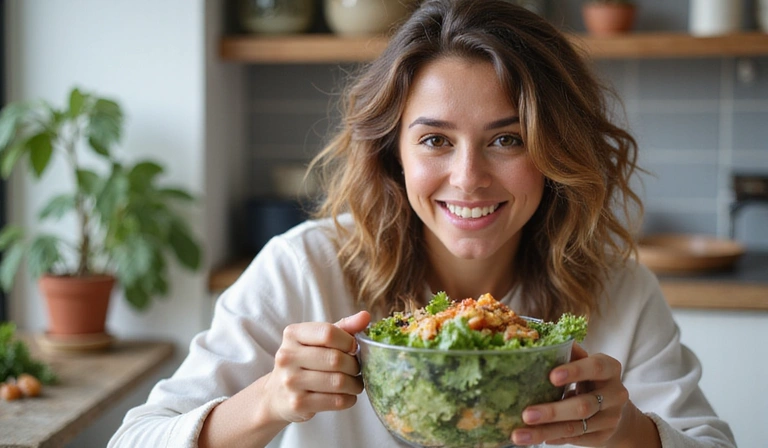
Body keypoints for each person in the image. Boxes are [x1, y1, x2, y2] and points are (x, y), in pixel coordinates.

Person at [109, 0, 736, 447]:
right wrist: (267, 401)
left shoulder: (620, 292)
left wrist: (629, 433)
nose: (468, 178)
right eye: (435, 140)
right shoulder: (304, 269)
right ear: (393, 153)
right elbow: (135, 440)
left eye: (508, 140)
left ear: (555, 152)